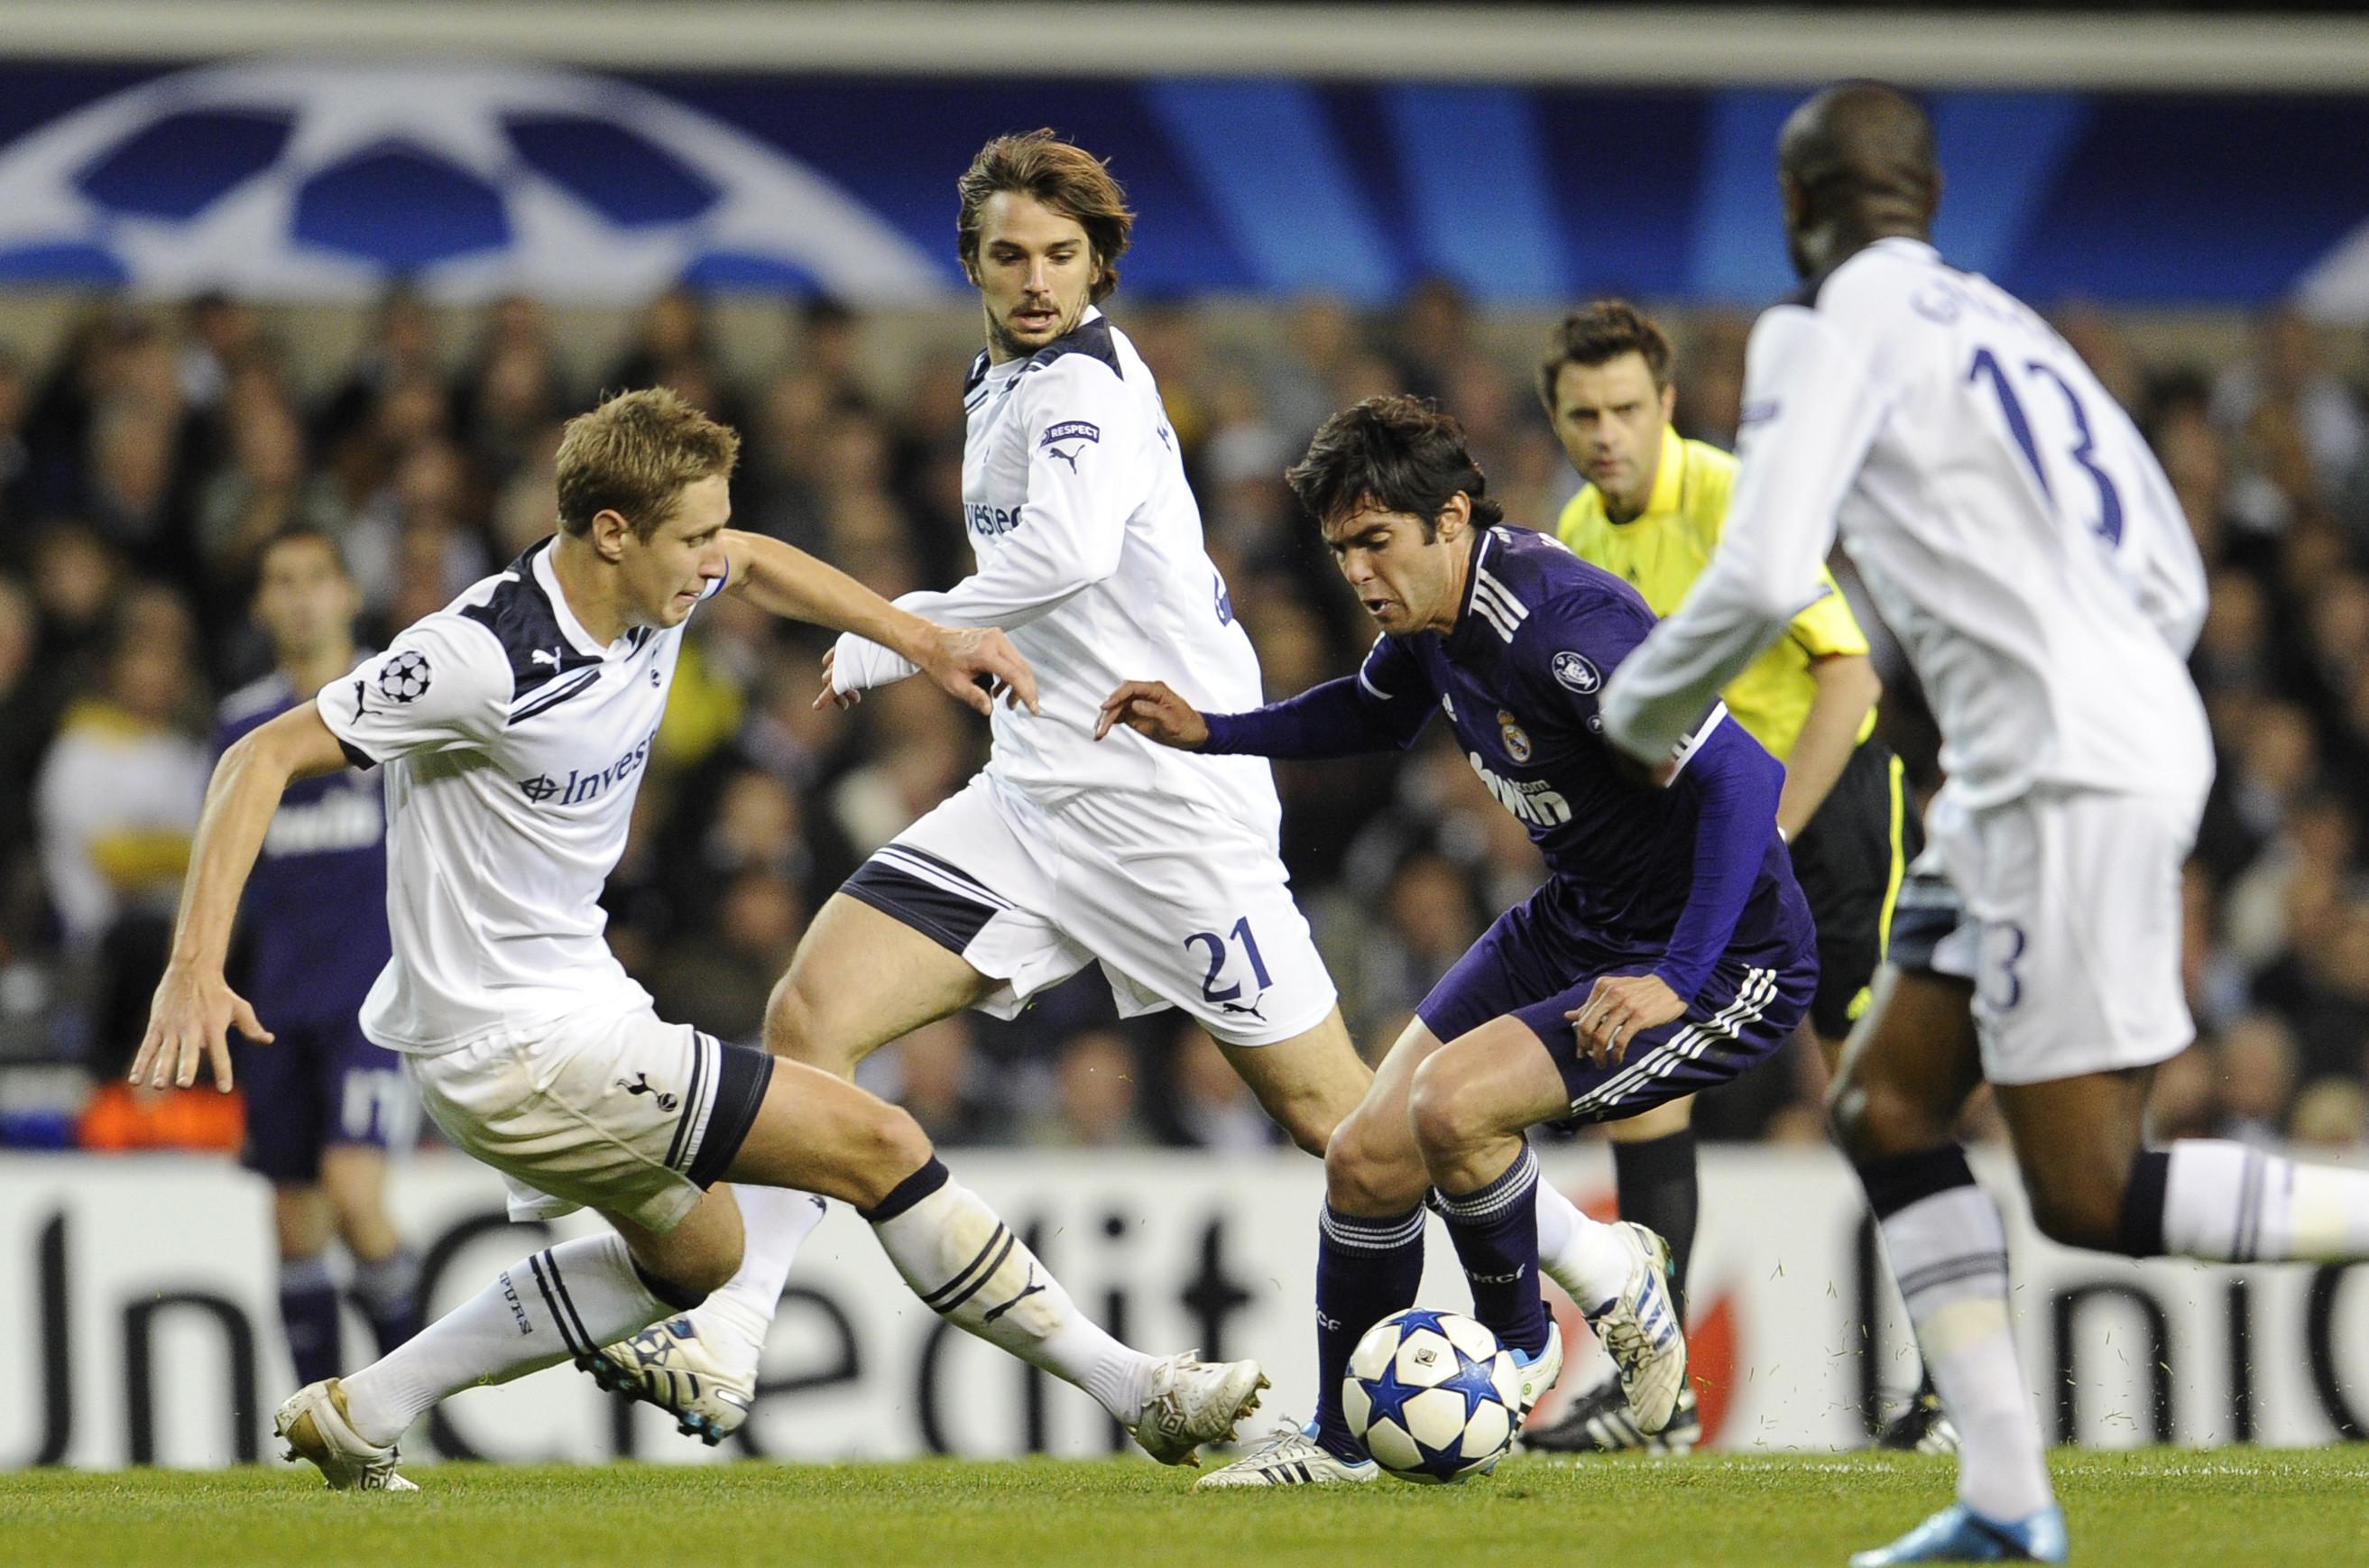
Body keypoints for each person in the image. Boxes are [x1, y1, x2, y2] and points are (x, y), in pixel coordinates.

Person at [596, 133, 1632, 1444]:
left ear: (1099, 265)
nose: (1036, 280)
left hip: (1163, 807)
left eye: (1062, 257)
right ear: (970, 261)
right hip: (1035, 790)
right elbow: (1047, 565)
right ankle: (735, 1331)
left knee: (1338, 1115)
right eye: (1010, 255)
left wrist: (906, 629)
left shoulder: (1079, 383)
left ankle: (1599, 1265)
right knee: (811, 1012)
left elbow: (1074, 549)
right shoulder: (1001, 381)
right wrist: (919, 622)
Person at [130, 388, 1264, 1490]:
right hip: (514, 1042)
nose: (714, 558)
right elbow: (257, 757)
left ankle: (366, 1407)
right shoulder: (480, 654)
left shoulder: (660, 579)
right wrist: (194, 966)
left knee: (700, 1257)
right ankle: (1137, 1391)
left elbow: (762, 561)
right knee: (876, 1142)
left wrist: (918, 637)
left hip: (574, 1007)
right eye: (694, 537)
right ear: (611, 533)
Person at [1600, 82, 2369, 1566]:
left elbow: (1765, 570)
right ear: (1929, 200)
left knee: (2090, 1185)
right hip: (2084, 741)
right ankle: (2009, 1500)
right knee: (1887, 1106)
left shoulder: (1813, 327)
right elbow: (2180, 582)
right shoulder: (2015, 332)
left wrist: (1637, 716)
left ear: (1796, 208)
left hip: (2059, 766)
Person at [1098, 393, 1820, 1487]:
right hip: (1578, 920)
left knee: (1452, 1108)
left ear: (1449, 517)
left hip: (1725, 957)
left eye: (1376, 541)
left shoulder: (1562, 627)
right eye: (1342, 549)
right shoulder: (1435, 622)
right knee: (1365, 1154)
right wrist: (1214, 732)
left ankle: (1533, 1339)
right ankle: (1340, 1449)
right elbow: (1371, 714)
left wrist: (1676, 977)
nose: (1357, 572)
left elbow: (1738, 777)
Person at [1524, 300, 1945, 1456]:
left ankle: (1955, 1384)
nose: (1605, 435)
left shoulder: (1732, 503)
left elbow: (1852, 682)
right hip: (1713, 830)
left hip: (1830, 807)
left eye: (1625, 411)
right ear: (1556, 420)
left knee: (1870, 1095)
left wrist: (1762, 834)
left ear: (1667, 404)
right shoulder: (1576, 526)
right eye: (1582, 416)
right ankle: (1657, 1398)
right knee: (1643, 1083)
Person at [217, 525, 419, 1390]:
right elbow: (222, 867)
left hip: (374, 1003)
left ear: (348, 593)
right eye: (280, 580)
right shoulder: (242, 726)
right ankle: (326, 1430)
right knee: (294, 1222)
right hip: (277, 1005)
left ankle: (412, 1401)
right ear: (263, 604)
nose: (299, 597)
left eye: (315, 579)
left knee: (353, 1191)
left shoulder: (404, 697)